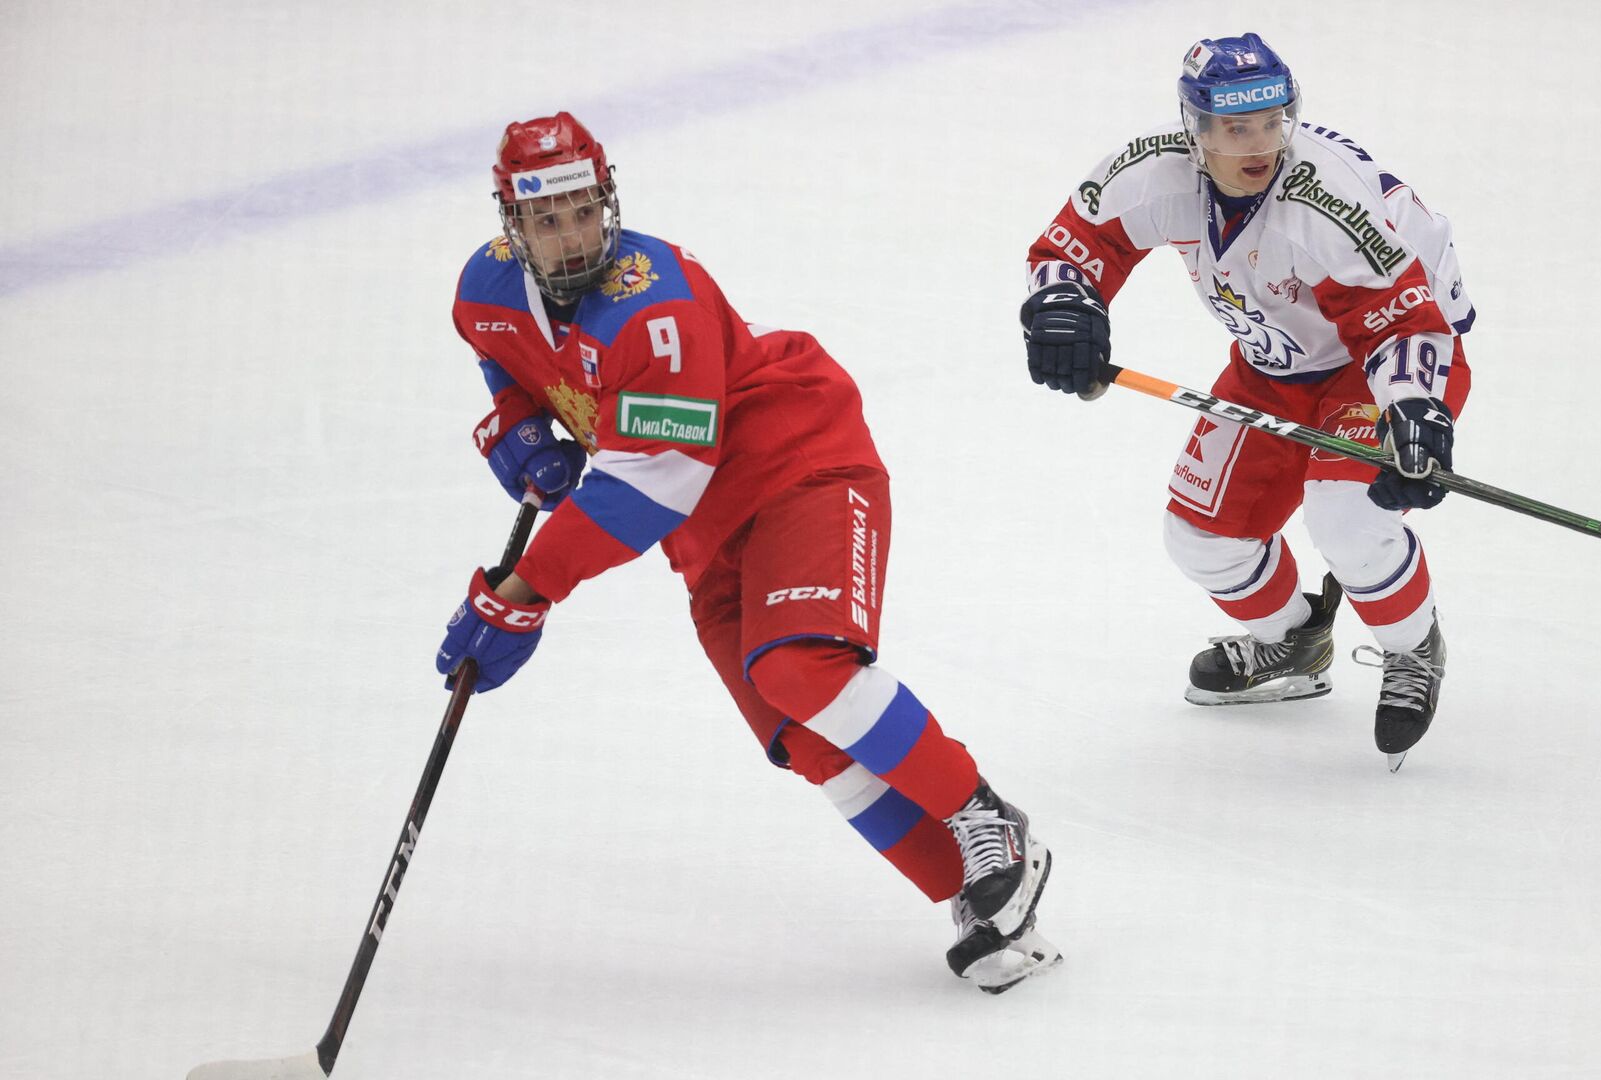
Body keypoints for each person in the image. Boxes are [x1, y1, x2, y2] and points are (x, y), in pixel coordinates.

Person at [436, 112, 1058, 990]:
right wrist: (517, 422)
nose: (571, 236)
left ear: (607, 200)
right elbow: (496, 349)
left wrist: (525, 587)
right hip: (705, 534)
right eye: (547, 220)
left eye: (582, 211)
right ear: (512, 224)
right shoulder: (486, 287)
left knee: (801, 667)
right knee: (797, 734)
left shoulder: (656, 308)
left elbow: (649, 486)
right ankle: (982, 900)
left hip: (795, 461)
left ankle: (987, 821)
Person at [1019, 34, 1476, 766]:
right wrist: (1066, 307)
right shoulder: (1156, 171)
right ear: (1195, 129)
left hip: (1383, 360)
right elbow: (1076, 244)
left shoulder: (1324, 201)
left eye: (1271, 121)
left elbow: (1400, 317)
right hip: (1276, 364)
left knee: (1347, 518)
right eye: (1236, 127)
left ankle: (1412, 645)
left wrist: (1416, 411)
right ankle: (1294, 642)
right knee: (1201, 538)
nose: (1259, 143)